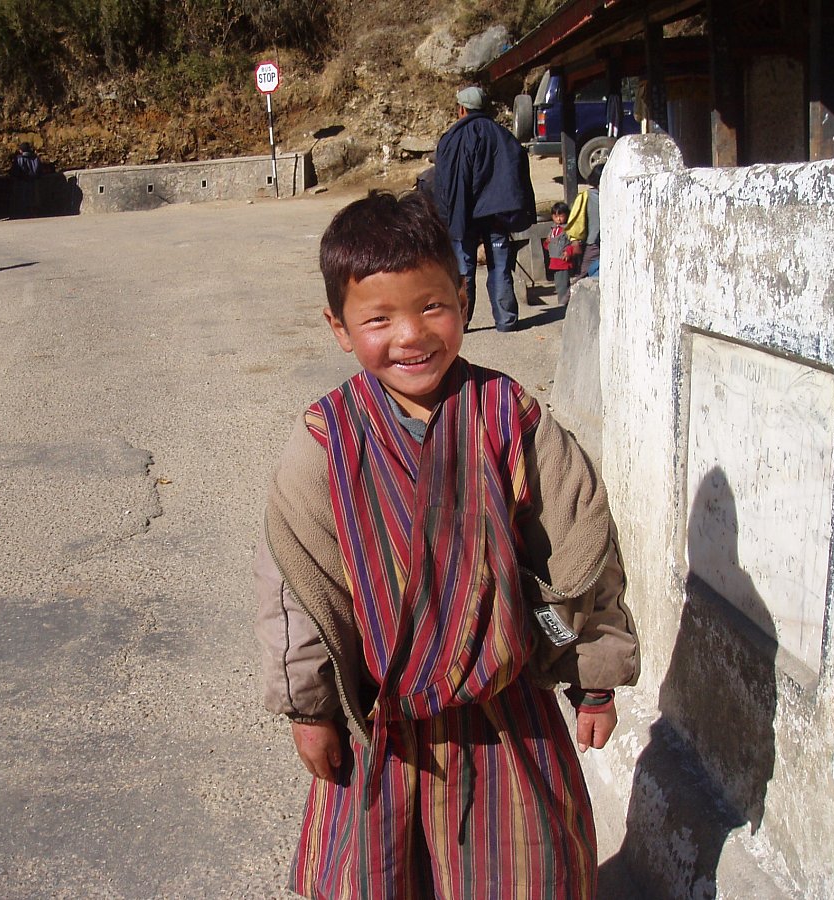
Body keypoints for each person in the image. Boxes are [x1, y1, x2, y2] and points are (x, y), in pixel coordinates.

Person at [253, 190, 639, 898]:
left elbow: (574, 563)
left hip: (508, 724)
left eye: (432, 306)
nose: (411, 335)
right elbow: (298, 589)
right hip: (384, 732)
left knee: (523, 876)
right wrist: (310, 710)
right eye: (379, 318)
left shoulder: (510, 419)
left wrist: (592, 675)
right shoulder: (325, 443)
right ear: (339, 328)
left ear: (463, 298)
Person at [433, 85, 536, 333]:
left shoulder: (454, 138)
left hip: (464, 216)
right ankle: (507, 321)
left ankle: (462, 322)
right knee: (500, 267)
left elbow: (446, 183)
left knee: (464, 270)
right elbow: (518, 175)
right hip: (497, 215)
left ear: (462, 109)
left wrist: (446, 217)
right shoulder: (503, 136)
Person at [566, 165, 603, 280]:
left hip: (613, 241)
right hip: (594, 244)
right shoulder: (586, 196)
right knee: (584, 274)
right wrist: (575, 240)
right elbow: (577, 219)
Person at [543, 200, 576, 304]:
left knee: (563, 286)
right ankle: (562, 303)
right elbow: (547, 246)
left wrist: (568, 252)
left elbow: (573, 243)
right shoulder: (553, 229)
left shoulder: (568, 229)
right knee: (558, 285)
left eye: (561, 216)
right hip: (554, 262)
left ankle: (563, 304)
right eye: (555, 216)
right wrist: (547, 242)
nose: (558, 219)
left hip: (563, 262)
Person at [9, 141, 42, 218]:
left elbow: (15, 171)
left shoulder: (19, 159)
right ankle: (34, 212)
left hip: (22, 181)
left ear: (21, 150)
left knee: (24, 198)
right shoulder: (36, 158)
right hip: (34, 181)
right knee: (33, 198)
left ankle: (25, 213)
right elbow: (40, 170)